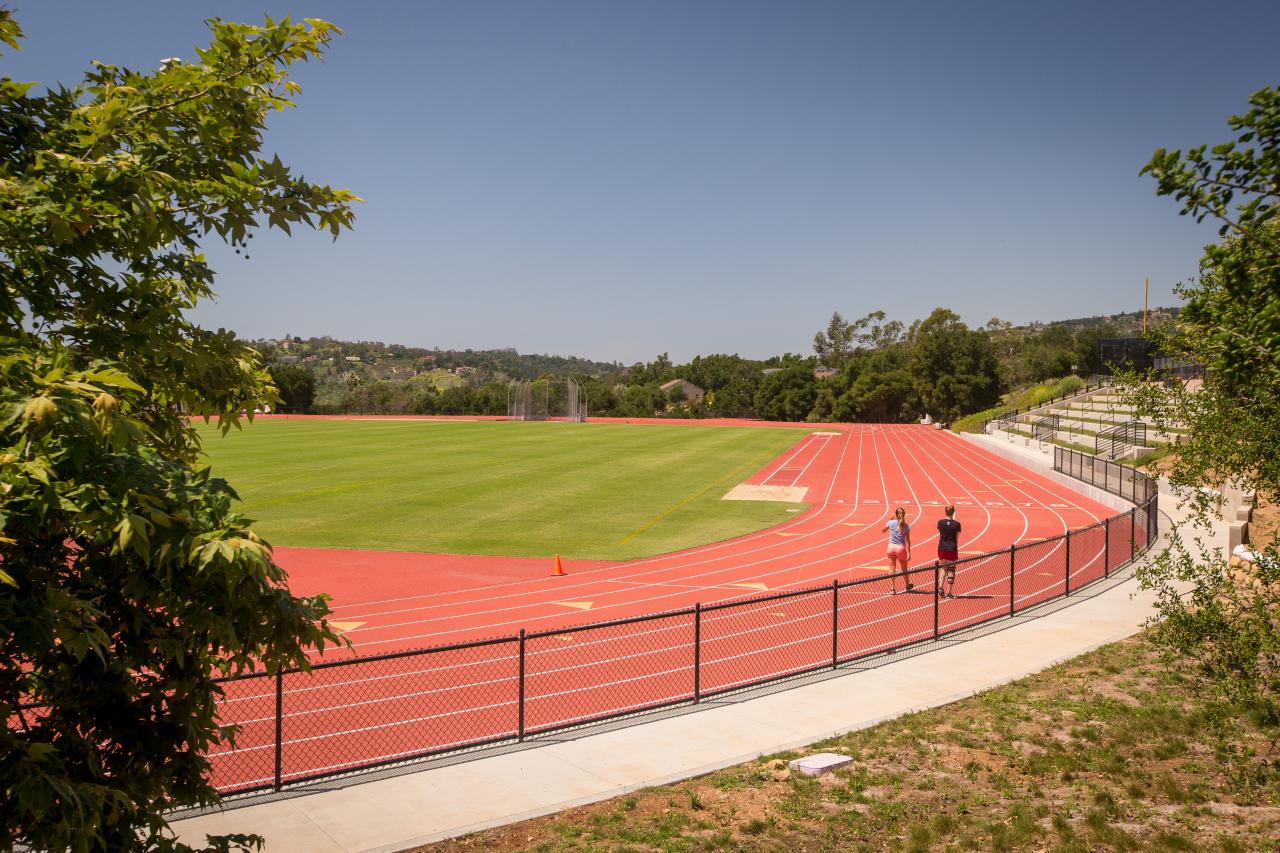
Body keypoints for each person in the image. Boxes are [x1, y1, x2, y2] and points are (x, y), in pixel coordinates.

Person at [882, 507, 912, 592]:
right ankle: (907, 585)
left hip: (891, 547)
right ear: (904, 515)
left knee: (892, 569)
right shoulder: (906, 526)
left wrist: (889, 521)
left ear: (895, 515)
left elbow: (883, 531)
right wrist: (909, 553)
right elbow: (907, 541)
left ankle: (892, 588)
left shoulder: (890, 522)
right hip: (900, 548)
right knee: (904, 568)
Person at [937, 505, 961, 597]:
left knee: (942, 568)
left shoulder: (940, 522)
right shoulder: (957, 524)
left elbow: (941, 533)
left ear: (945, 512)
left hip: (942, 548)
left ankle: (940, 587)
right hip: (952, 548)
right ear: (953, 512)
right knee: (951, 570)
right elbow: (957, 538)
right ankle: (949, 592)